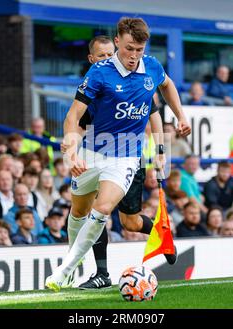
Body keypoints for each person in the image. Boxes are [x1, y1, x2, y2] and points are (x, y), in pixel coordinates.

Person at [46, 17, 191, 292]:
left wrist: (179, 119)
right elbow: (73, 118)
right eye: (129, 49)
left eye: (139, 49)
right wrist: (72, 153)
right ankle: (79, 266)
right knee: (80, 212)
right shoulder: (99, 74)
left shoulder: (152, 68)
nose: (134, 56)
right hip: (92, 152)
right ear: (117, 43)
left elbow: (166, 88)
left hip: (126, 156)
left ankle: (65, 271)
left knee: (102, 210)